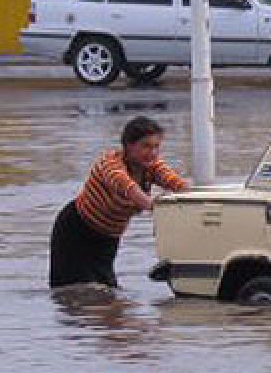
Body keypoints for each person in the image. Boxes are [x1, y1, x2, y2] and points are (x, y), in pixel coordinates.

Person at [49, 116, 187, 289]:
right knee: (71, 292)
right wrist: (157, 206)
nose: (152, 152)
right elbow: (129, 189)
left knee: (107, 293)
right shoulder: (110, 165)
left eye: (156, 147)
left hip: (108, 238)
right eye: (145, 146)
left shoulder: (153, 166)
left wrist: (201, 200)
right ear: (128, 146)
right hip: (76, 231)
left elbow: (179, 185)